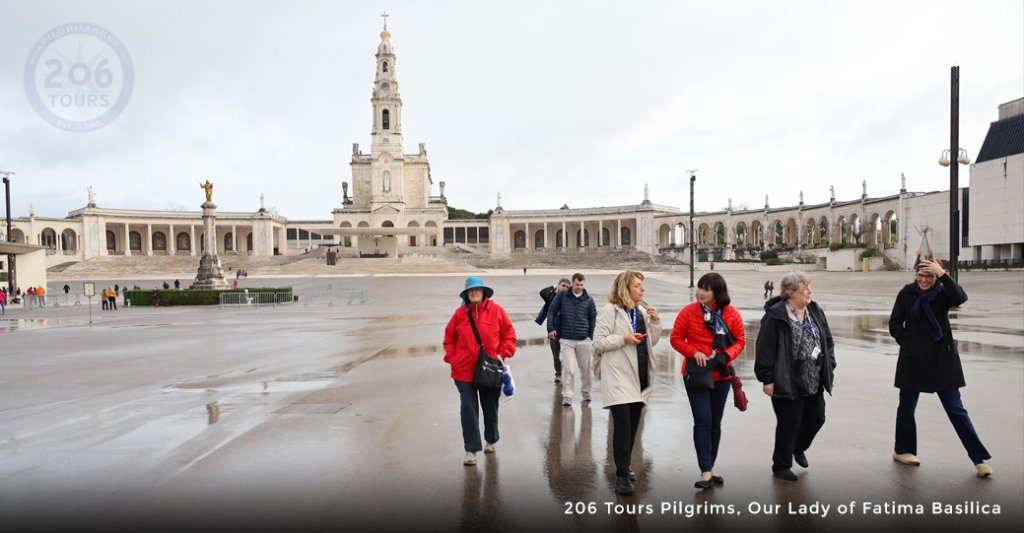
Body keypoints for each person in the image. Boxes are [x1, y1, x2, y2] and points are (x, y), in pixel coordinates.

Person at [888, 259, 992, 477]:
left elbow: (960, 298)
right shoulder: (907, 293)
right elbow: (895, 323)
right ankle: (902, 450)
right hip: (913, 359)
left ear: (936, 277)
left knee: (956, 409)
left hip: (942, 360)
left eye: (930, 276)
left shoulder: (943, 294)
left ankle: (978, 458)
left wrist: (944, 275)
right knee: (906, 407)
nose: (924, 280)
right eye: (920, 276)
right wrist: (909, 343)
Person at [755, 272, 836, 482]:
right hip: (786, 379)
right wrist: (767, 378)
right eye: (805, 289)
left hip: (814, 378)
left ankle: (798, 447)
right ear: (791, 293)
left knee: (817, 418)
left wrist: (830, 364)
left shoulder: (815, 310)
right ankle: (781, 465)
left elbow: (827, 339)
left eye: (809, 287)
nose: (810, 292)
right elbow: (764, 348)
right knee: (789, 423)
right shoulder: (775, 315)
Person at [670, 273, 746, 489]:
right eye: (700, 288)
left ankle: (711, 466)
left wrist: (727, 355)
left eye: (706, 289)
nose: (701, 292)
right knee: (703, 419)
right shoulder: (689, 311)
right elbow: (675, 338)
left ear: (717, 293)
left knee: (715, 422)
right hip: (696, 374)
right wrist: (693, 352)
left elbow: (740, 341)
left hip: (721, 374)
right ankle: (705, 470)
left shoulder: (731, 313)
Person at [592, 270, 661, 494]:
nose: (643, 289)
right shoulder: (609, 311)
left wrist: (655, 320)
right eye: (638, 285)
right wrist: (623, 339)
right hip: (619, 376)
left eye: (642, 285)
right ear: (626, 288)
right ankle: (621, 475)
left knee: (632, 427)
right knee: (621, 426)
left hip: (640, 375)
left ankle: (625, 464)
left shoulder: (641, 311)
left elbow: (653, 341)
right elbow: (598, 343)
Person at [443, 277, 517, 467]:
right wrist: (452, 358)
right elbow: (449, 338)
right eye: (471, 291)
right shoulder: (459, 314)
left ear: (484, 292)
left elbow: (509, 335)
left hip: (489, 369)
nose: (474, 293)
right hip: (464, 371)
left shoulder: (497, 311)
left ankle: (491, 439)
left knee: (490, 407)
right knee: (468, 409)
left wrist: (501, 355)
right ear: (466, 294)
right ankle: (471, 450)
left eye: (478, 290)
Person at [546, 273, 598, 406]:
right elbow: (551, 310)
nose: (579, 287)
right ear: (572, 284)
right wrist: (550, 328)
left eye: (581, 285)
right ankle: (567, 394)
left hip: (583, 339)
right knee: (569, 368)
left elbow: (593, 318)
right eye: (577, 284)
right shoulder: (562, 296)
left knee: (585, 368)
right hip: (567, 339)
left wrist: (590, 336)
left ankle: (586, 391)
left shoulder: (589, 300)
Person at [536, 278, 571, 384]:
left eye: (567, 287)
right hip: (554, 331)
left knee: (567, 355)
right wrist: (553, 287)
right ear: (559, 286)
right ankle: (558, 373)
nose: (565, 288)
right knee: (556, 354)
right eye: (563, 285)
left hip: (567, 332)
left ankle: (566, 373)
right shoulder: (551, 297)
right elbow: (542, 292)